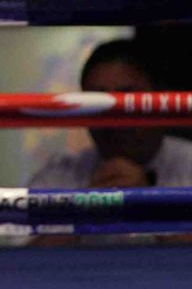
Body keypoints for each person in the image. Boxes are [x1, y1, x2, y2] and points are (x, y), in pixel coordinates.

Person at [30, 39, 192, 190]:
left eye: (128, 101)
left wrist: (149, 204)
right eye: (97, 102)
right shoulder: (60, 175)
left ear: (160, 100)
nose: (113, 117)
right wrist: (87, 209)